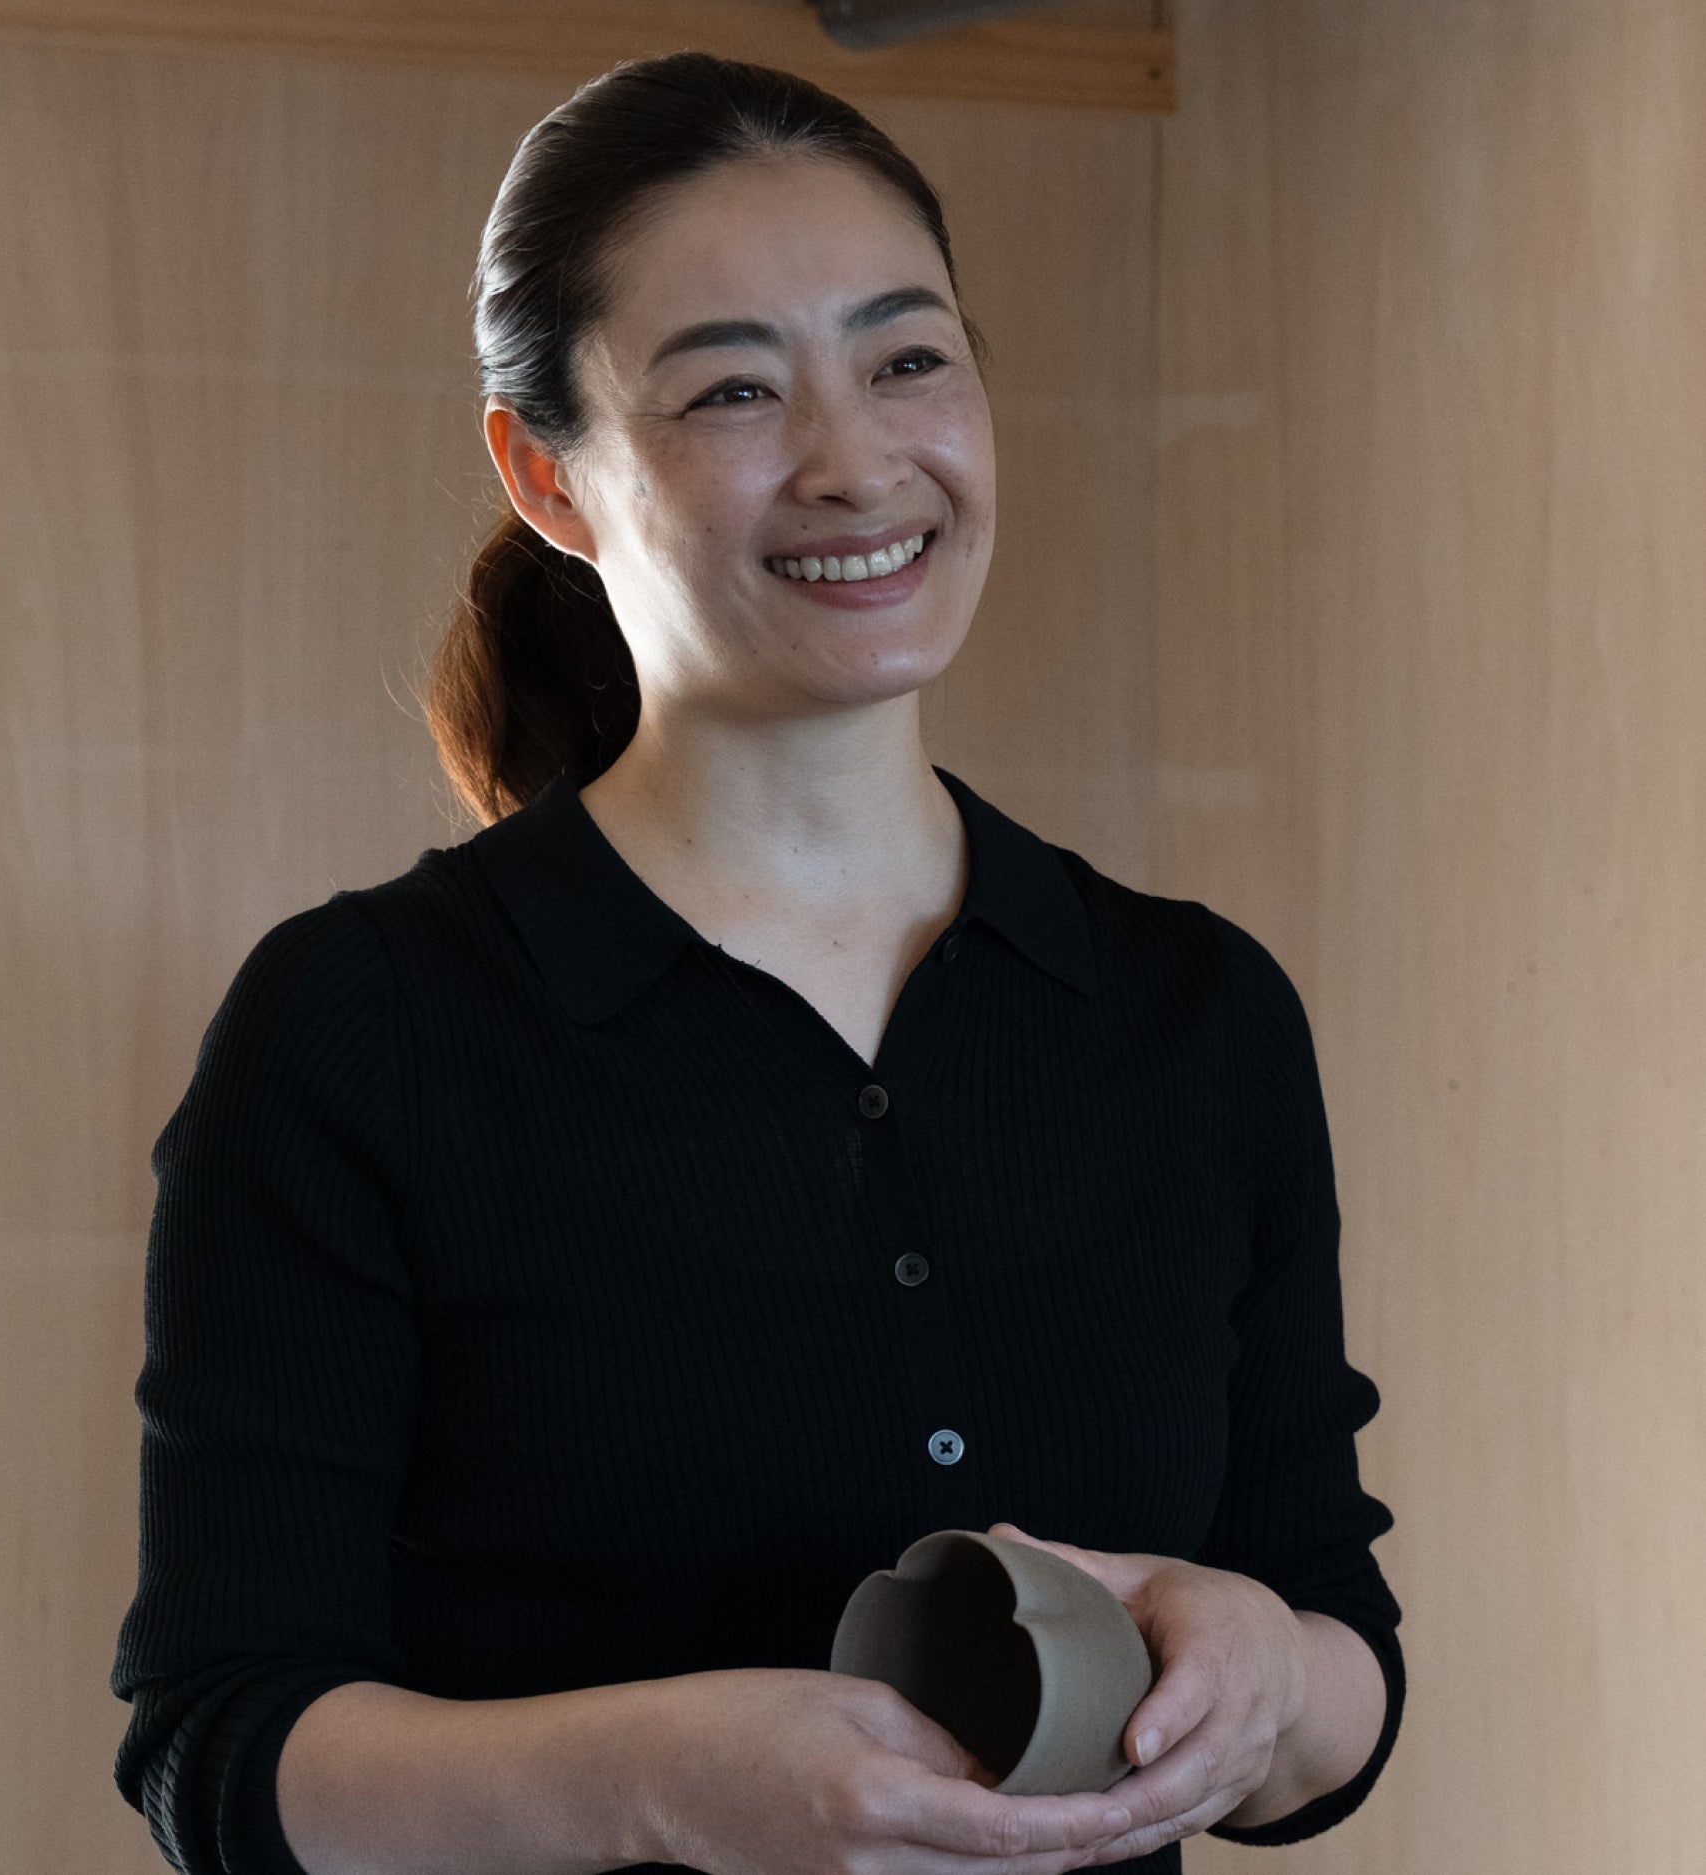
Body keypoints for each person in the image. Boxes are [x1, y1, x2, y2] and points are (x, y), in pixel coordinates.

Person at [111, 50, 1403, 1875]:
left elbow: (1337, 1664)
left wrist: (1271, 1670)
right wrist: (655, 1778)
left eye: (908, 359)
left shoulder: (1197, 1013)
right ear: (547, 476)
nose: (855, 462)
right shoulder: (362, 1030)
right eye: (733, 388)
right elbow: (222, 1750)